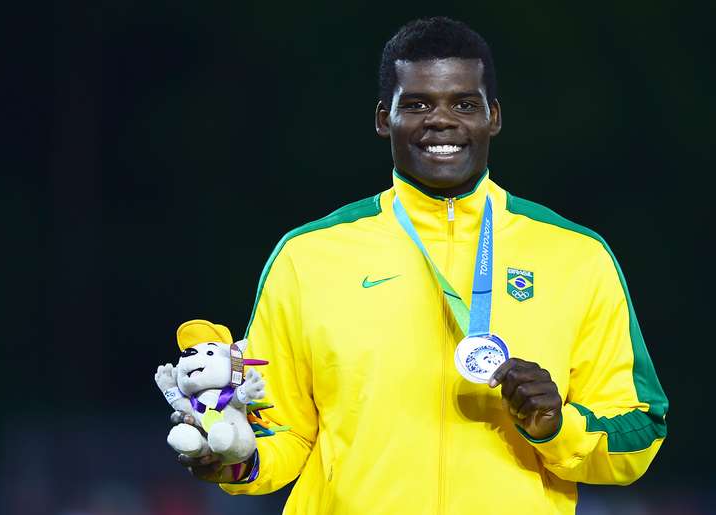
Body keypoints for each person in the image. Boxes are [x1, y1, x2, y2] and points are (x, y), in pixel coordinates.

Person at [175, 17, 668, 514]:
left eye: (464, 103)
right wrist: (235, 457)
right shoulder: (308, 256)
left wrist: (559, 427)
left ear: (493, 116)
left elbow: (641, 431)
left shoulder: (575, 255)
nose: (441, 120)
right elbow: (280, 430)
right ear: (382, 119)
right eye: (416, 104)